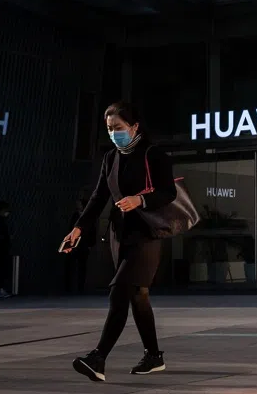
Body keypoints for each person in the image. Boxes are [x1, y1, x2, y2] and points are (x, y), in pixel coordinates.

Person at [61, 102, 176, 382]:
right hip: (119, 235)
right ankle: (153, 356)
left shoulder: (153, 154)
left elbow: (169, 192)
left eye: (119, 128)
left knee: (119, 292)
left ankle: (98, 358)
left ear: (135, 126)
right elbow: (99, 197)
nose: (114, 134)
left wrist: (141, 199)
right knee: (137, 295)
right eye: (110, 129)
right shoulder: (111, 158)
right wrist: (77, 230)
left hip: (147, 235)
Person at [66, 197, 94, 294]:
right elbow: (70, 227)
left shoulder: (88, 216)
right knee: (72, 265)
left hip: (84, 244)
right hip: (75, 243)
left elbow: (92, 231)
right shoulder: (75, 215)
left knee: (82, 266)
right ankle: (71, 286)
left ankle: (80, 286)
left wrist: (90, 244)